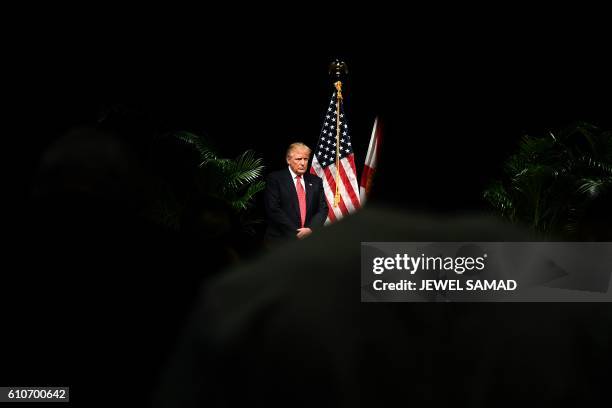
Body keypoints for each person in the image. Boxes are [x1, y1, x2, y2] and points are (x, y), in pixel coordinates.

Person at [263, 142, 328, 242]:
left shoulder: (316, 181)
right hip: (281, 241)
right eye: (298, 159)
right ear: (288, 160)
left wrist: (310, 229)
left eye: (305, 159)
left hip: (309, 240)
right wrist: (296, 233)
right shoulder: (275, 179)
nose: (303, 163)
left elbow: (322, 208)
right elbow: (273, 209)